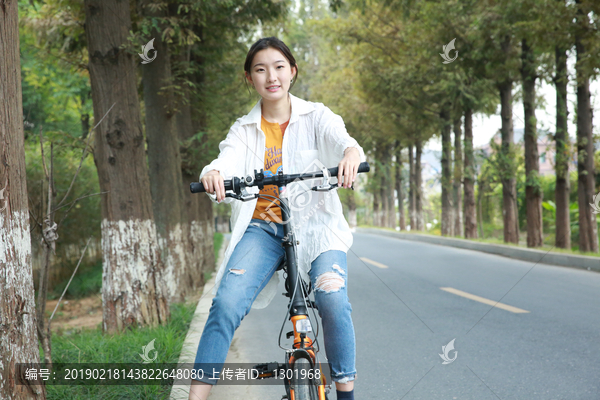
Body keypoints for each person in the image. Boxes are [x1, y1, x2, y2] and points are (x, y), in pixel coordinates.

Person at [189, 36, 365, 400]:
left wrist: (350, 154)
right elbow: (227, 158)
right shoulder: (244, 129)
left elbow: (345, 141)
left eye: (279, 67)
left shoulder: (317, 116)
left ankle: (346, 394)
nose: (271, 76)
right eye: (260, 69)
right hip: (264, 228)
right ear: (249, 78)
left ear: (292, 71)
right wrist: (213, 173)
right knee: (225, 304)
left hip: (317, 227)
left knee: (332, 298)